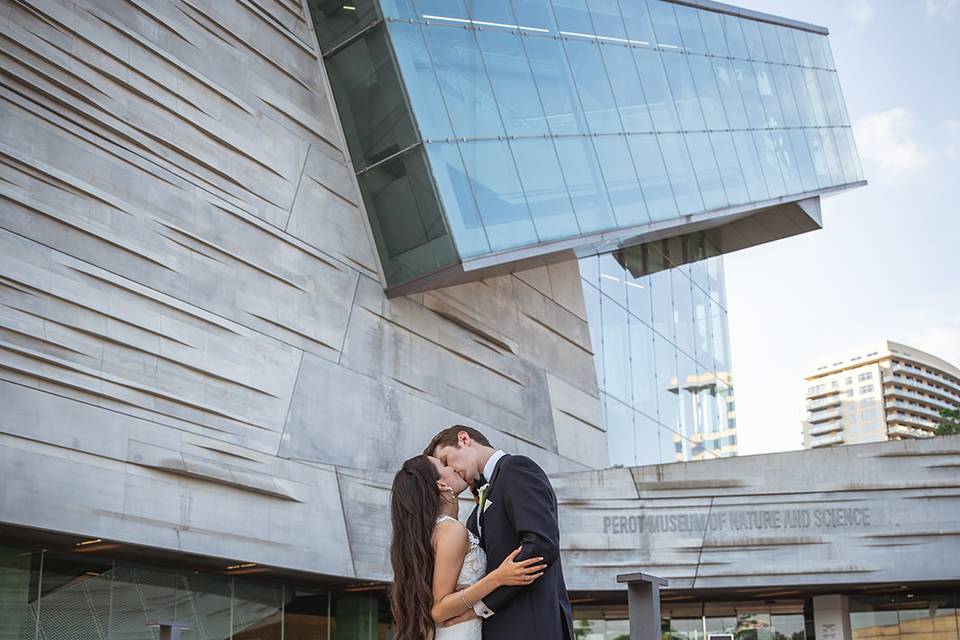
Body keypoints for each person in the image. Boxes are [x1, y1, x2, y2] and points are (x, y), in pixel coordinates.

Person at [424, 426, 575, 640]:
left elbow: (541, 546)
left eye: (446, 461)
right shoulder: (475, 512)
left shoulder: (516, 468)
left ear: (464, 439)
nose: (449, 473)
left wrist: (480, 607)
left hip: (533, 626)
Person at [390, 453, 546, 640]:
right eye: (444, 465)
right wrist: (498, 577)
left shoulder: (438, 530)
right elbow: (440, 609)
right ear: (441, 484)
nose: (452, 467)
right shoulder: (451, 530)